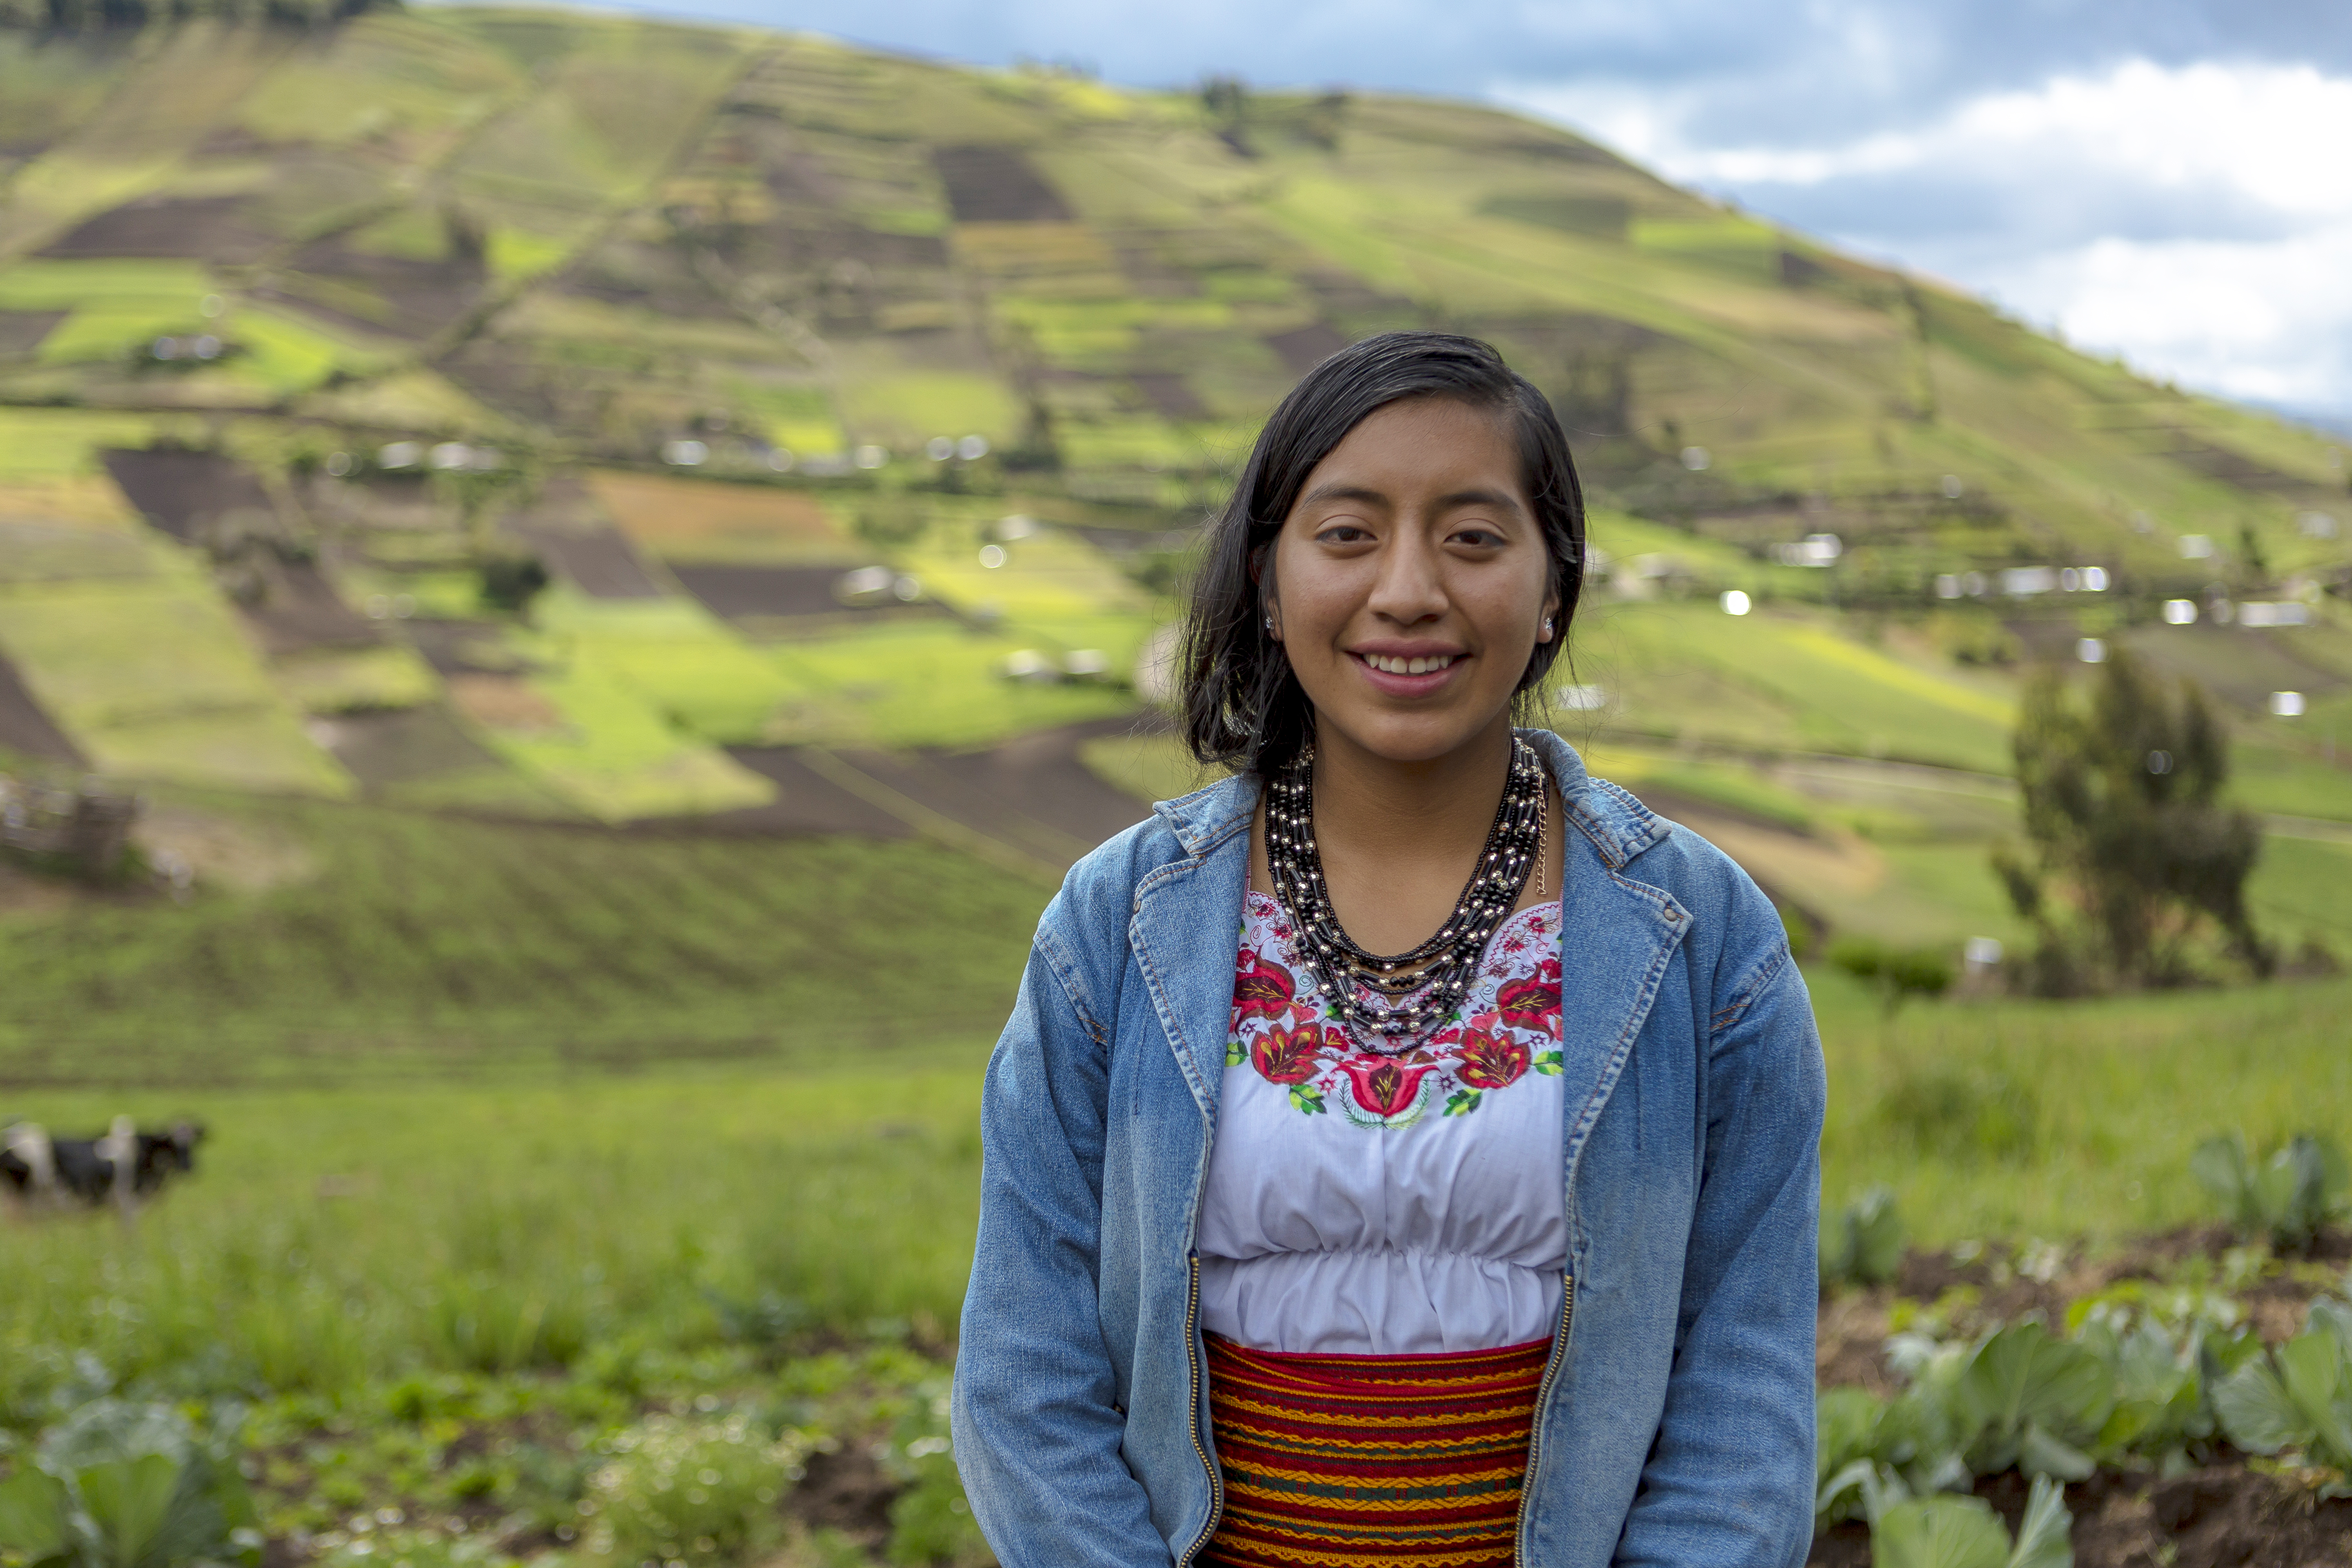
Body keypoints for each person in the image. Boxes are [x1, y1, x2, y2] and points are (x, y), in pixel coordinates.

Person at [952, 331, 1824, 1568]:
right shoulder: (1117, 927)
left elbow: (1746, 1389)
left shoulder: (1704, 944)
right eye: (1349, 533)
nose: (1409, 590)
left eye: (1473, 537)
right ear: (1266, 580)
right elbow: (1023, 1380)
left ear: (1555, 589)